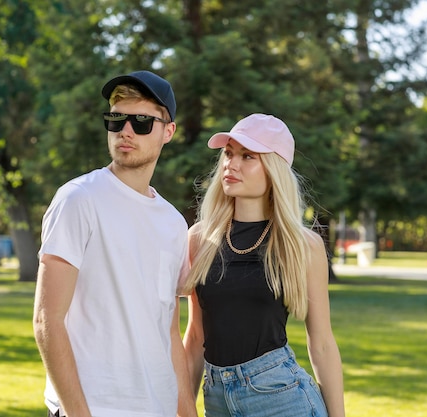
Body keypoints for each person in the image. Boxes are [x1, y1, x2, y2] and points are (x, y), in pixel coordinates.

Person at [33, 70, 197, 417]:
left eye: (141, 121)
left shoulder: (173, 223)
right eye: (116, 119)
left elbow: (168, 329)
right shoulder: (78, 199)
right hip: (96, 408)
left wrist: (186, 411)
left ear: (169, 131)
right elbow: (48, 319)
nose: (125, 130)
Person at [182, 113, 345, 416]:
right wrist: (183, 407)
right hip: (216, 399)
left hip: (280, 396)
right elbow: (194, 338)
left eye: (247, 156)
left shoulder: (302, 245)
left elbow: (321, 343)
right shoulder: (200, 239)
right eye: (228, 153)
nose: (231, 163)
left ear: (273, 170)